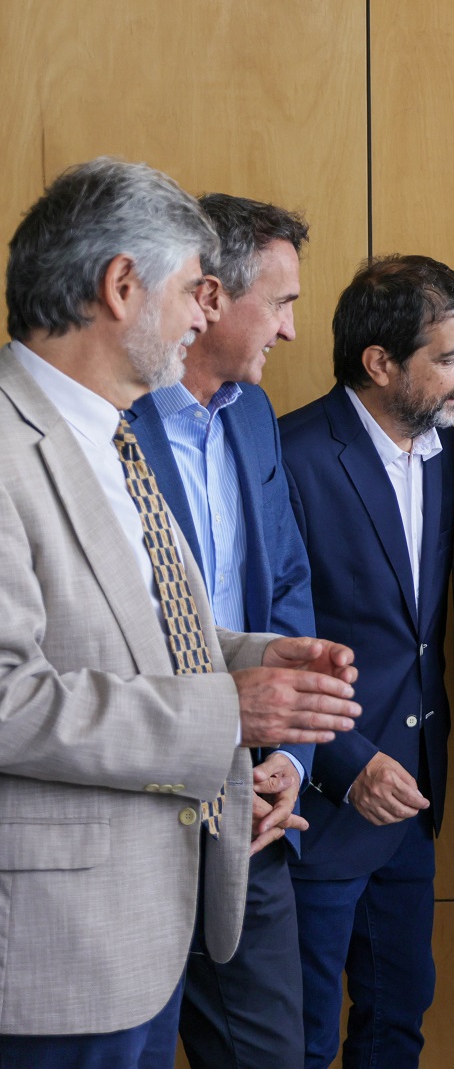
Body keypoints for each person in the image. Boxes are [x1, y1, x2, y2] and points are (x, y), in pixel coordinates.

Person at [0, 157, 359, 1066]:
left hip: (156, 920)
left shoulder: (110, 435)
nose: (206, 314)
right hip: (59, 945)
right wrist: (228, 710)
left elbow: (143, 630)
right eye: (195, 290)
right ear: (122, 286)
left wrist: (260, 655)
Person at [126, 191, 318, 1069]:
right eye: (279, 303)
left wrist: (290, 758)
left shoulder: (252, 416)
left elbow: (283, 589)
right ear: (209, 298)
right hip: (132, 812)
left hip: (254, 815)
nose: (287, 331)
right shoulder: (104, 424)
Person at [280, 255, 454, 1068]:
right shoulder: (289, 453)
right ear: (380, 363)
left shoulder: (443, 449)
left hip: (415, 798)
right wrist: (347, 765)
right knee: (299, 1039)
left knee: (399, 1023)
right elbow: (267, 633)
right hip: (324, 801)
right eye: (449, 356)